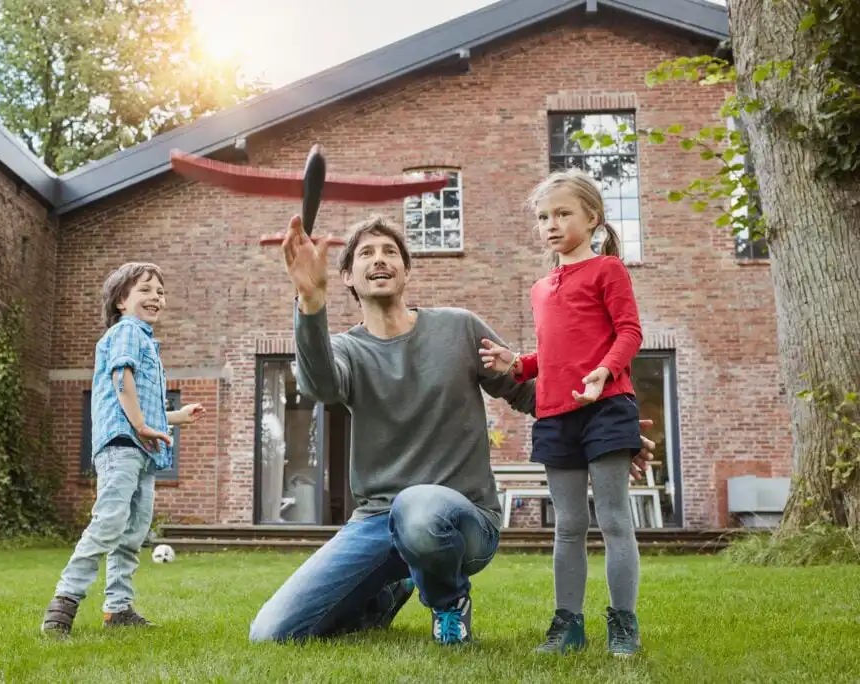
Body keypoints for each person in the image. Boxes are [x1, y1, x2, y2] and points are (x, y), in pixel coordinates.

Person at [249, 213, 653, 646]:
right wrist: (310, 302)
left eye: (390, 252)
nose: (379, 259)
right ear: (347, 275)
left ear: (407, 271)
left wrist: (608, 428)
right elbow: (320, 384)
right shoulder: (347, 349)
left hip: (463, 520)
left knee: (417, 507)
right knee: (272, 632)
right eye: (366, 253)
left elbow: (533, 393)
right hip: (376, 521)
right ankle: (386, 594)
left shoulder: (459, 328)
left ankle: (450, 602)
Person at [480, 168, 645, 657]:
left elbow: (629, 332)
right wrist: (519, 364)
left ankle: (623, 624)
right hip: (555, 413)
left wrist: (605, 372)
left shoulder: (608, 270)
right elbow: (553, 353)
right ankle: (567, 624)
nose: (551, 224)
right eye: (543, 217)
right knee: (568, 524)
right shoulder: (539, 287)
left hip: (608, 406)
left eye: (562, 213)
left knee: (614, 518)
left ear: (591, 217)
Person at [40, 262, 205, 638]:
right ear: (120, 301)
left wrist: (175, 416)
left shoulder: (144, 339)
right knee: (110, 522)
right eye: (145, 289)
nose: (156, 297)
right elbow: (121, 378)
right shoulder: (127, 332)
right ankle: (63, 603)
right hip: (122, 446)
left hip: (141, 449)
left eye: (161, 291)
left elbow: (141, 403)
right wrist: (143, 426)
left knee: (132, 531)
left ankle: (118, 608)